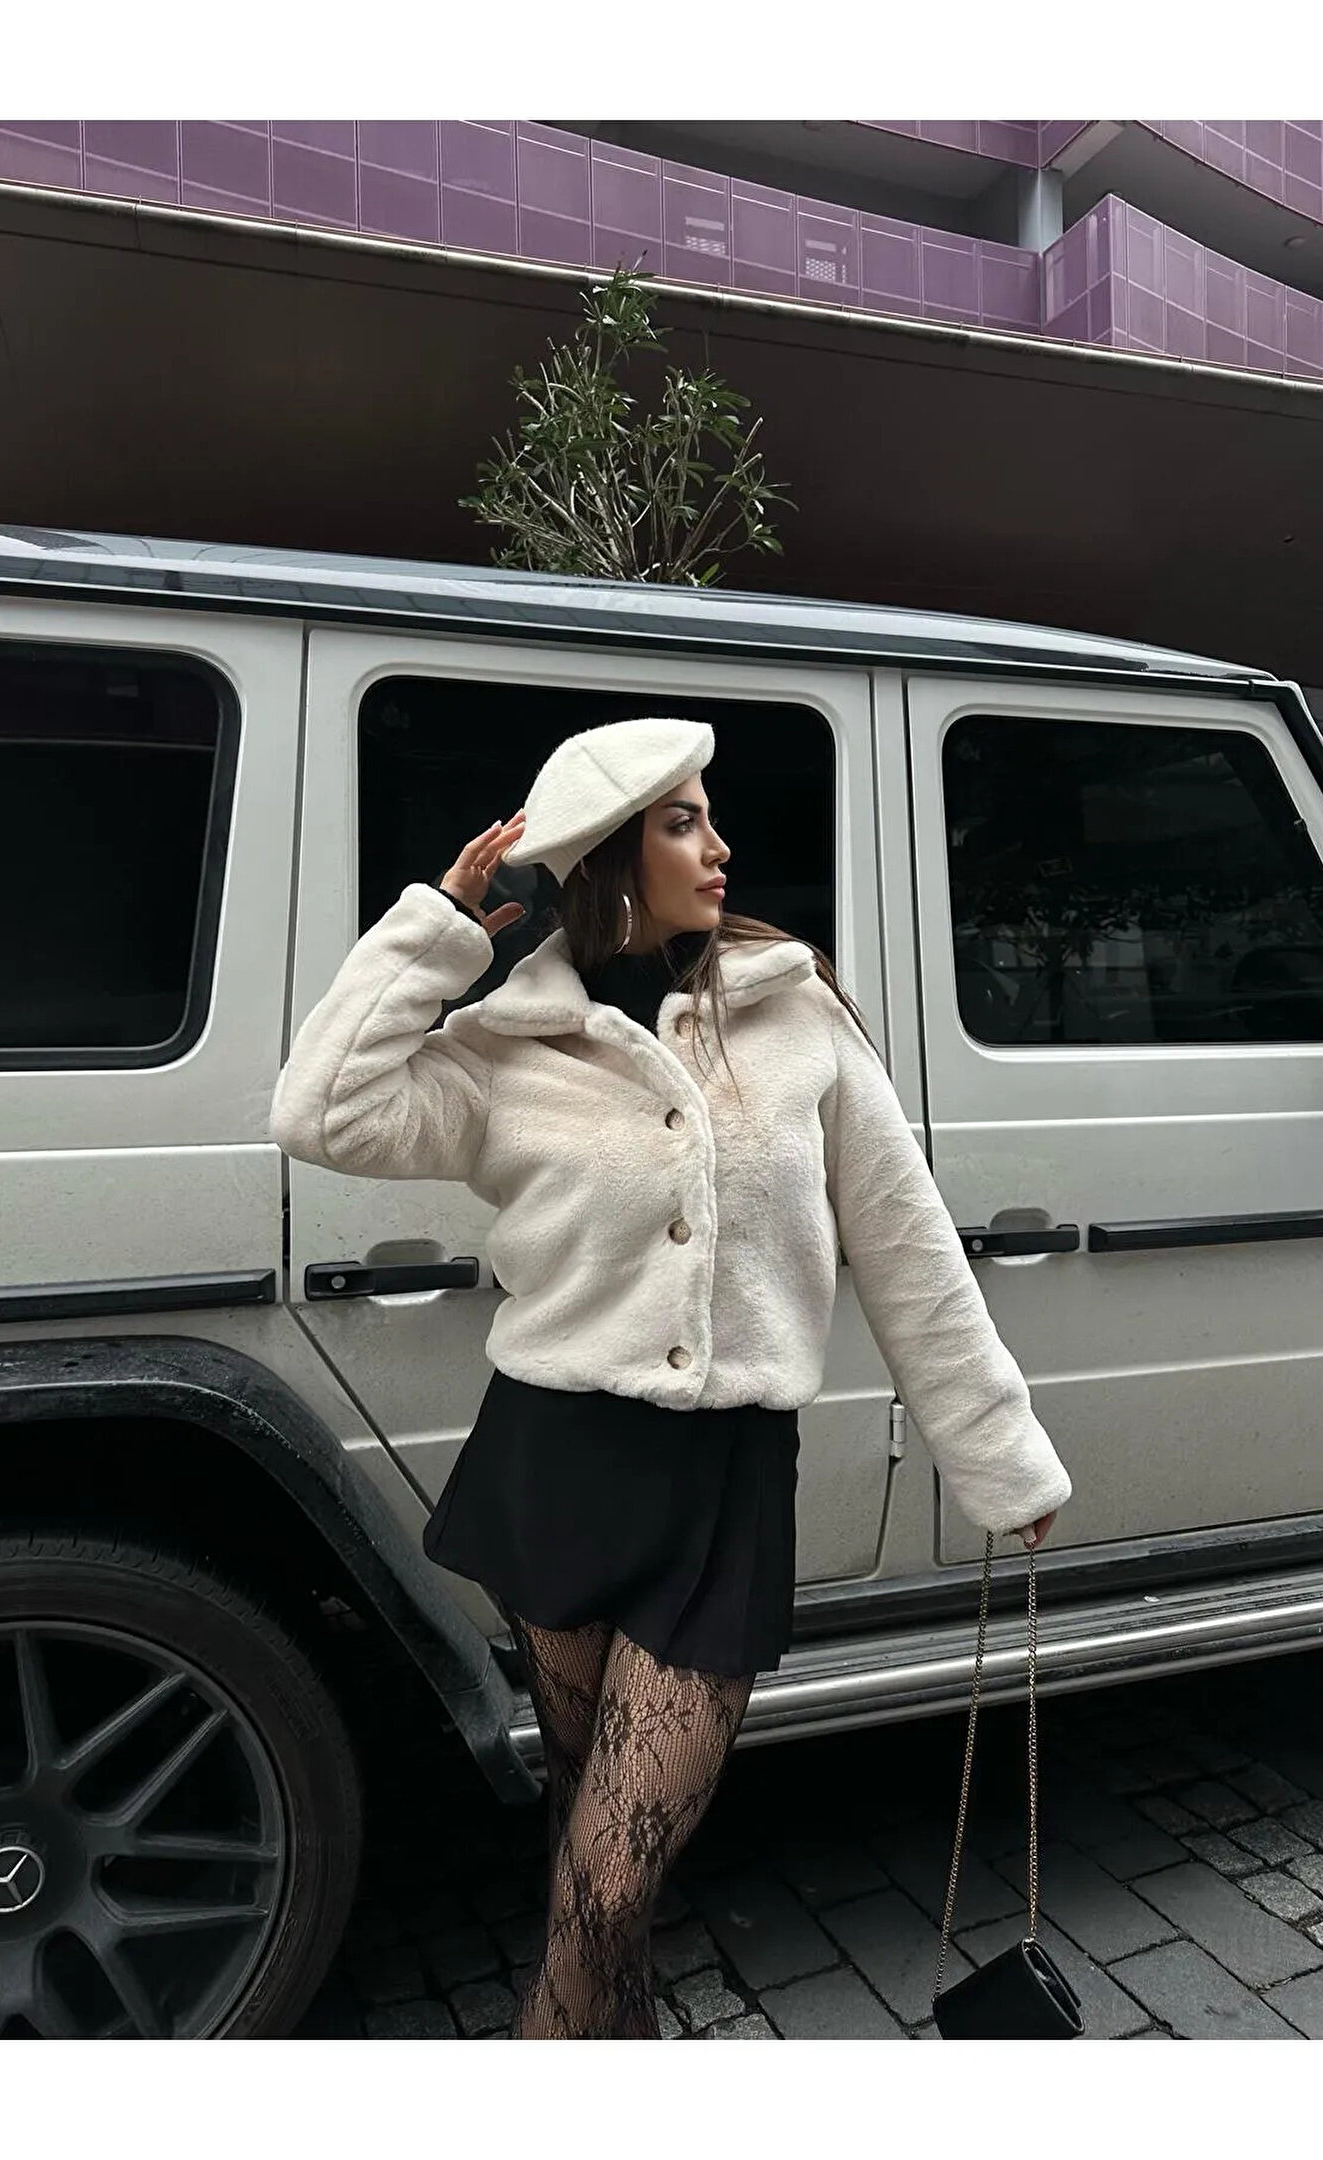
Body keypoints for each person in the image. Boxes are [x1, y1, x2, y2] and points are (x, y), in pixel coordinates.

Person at [268, 715, 1071, 2040]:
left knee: (613, 1866)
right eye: (683, 820)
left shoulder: (795, 1013)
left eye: (711, 815)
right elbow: (319, 1109)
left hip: (723, 1478)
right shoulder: (507, 1052)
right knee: (590, 1830)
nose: (720, 844)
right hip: (554, 1461)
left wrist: (995, 1450)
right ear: (604, 851)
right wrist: (443, 928)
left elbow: (907, 1242)